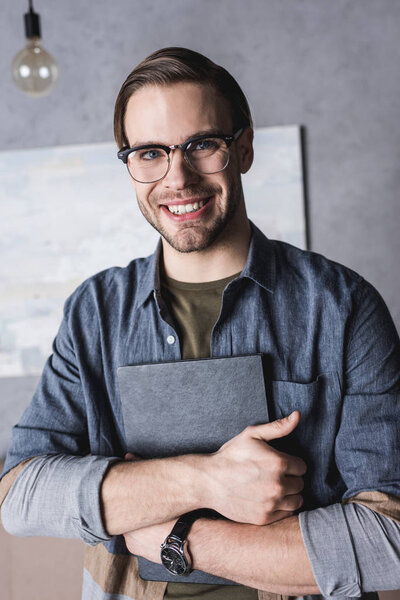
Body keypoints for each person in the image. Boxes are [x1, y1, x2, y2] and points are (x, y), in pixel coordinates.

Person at [1, 47, 400, 600]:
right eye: (149, 153)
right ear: (130, 165)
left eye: (201, 145)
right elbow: (19, 497)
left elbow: (391, 535)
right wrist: (205, 479)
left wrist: (169, 534)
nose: (177, 177)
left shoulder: (344, 307)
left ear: (243, 147)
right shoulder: (95, 312)